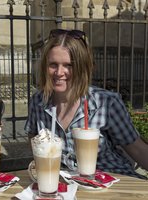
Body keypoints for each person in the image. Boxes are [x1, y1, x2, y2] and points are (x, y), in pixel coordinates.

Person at [25, 29, 148, 179]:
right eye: (53, 64)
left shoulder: (106, 103)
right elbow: (34, 144)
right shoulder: (38, 102)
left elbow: (138, 150)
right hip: (65, 184)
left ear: (82, 68)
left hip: (112, 179)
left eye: (68, 65)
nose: (59, 72)